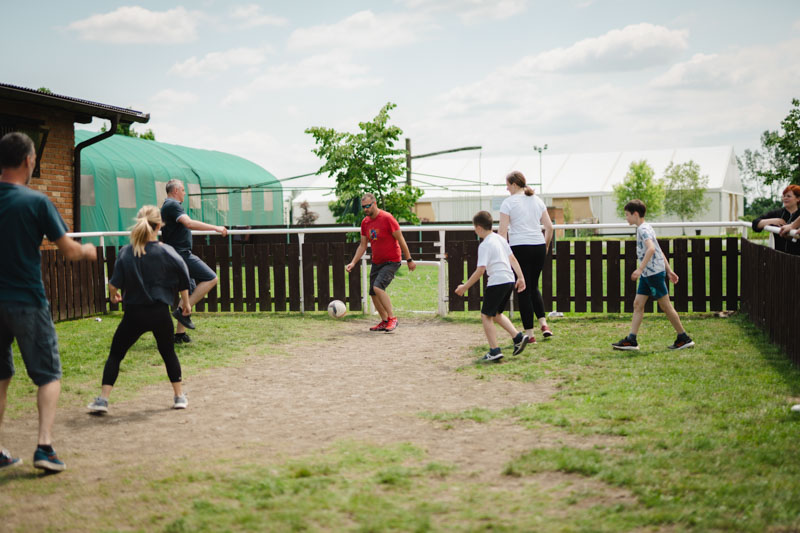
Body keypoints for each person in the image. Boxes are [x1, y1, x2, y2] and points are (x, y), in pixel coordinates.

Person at [0, 132, 97, 472]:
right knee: (48, 375)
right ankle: (44, 447)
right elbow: (69, 250)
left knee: (0, 376)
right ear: (29, 161)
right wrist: (88, 250)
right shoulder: (36, 202)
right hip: (26, 300)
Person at [87, 206, 192, 414]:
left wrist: (113, 295)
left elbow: (114, 282)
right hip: (160, 313)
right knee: (168, 353)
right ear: (159, 225)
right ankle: (179, 397)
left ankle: (103, 400)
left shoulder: (127, 251)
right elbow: (183, 277)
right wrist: (186, 302)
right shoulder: (167, 251)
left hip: (134, 314)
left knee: (116, 354)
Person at [612, 199, 694, 351]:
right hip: (649, 274)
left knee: (665, 306)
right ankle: (632, 339)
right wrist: (669, 270)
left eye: (627, 215)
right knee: (638, 304)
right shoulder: (646, 227)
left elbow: (651, 249)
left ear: (635, 214)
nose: (626, 218)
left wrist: (640, 269)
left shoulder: (643, 230)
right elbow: (658, 249)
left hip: (653, 274)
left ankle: (683, 337)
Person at [455, 211, 530, 362]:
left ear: (479, 228)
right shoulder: (500, 239)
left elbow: (480, 270)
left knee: (485, 315)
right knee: (495, 313)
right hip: (509, 279)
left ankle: (494, 350)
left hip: (497, 281)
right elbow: (513, 259)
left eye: (474, 228)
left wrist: (465, 287)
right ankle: (518, 337)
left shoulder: (485, 245)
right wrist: (520, 277)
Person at [160, 179, 227, 343]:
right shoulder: (172, 205)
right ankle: (181, 310)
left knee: (188, 291)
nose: (184, 193)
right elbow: (189, 223)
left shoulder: (169, 205)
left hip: (178, 253)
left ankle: (179, 334)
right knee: (211, 278)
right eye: (183, 190)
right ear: (175, 190)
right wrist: (215, 228)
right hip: (180, 255)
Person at [345, 193, 416, 333]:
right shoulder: (365, 223)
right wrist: (353, 262)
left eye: (368, 206)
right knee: (372, 292)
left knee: (378, 287)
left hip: (392, 261)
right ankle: (384, 321)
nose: (365, 209)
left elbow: (401, 240)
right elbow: (363, 245)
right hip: (377, 262)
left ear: (375, 203)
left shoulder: (387, 218)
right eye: (363, 207)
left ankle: (392, 318)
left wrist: (409, 259)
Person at [498, 171, 554, 343]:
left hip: (519, 247)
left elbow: (502, 232)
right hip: (537, 245)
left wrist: (503, 252)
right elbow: (550, 227)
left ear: (514, 184)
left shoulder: (508, 203)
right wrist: (544, 246)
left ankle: (530, 334)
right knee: (532, 286)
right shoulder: (537, 200)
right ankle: (543, 323)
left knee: (522, 288)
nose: (506, 188)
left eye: (507, 185)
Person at [753, 184, 800, 255]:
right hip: (779, 257)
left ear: (798, 198)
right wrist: (774, 221)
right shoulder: (777, 213)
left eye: (788, 196)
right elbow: (755, 224)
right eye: (784, 196)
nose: (785, 198)